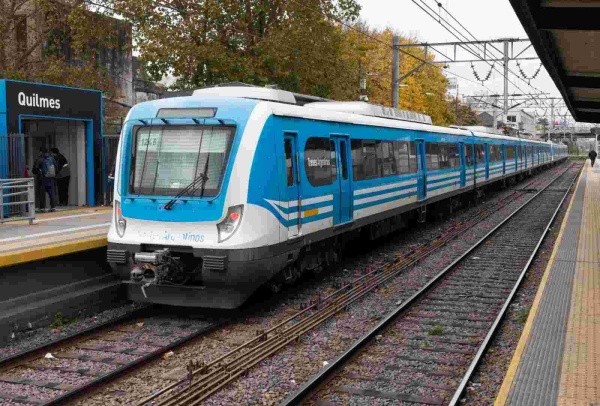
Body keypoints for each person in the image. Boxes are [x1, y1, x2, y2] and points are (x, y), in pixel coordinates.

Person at [32, 147, 57, 212]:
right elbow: (56, 168)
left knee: (41, 194)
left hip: (42, 179)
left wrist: (37, 173)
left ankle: (42, 208)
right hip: (51, 179)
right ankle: (53, 207)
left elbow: (34, 170)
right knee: (51, 193)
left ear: (41, 152)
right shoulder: (52, 159)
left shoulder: (39, 159)